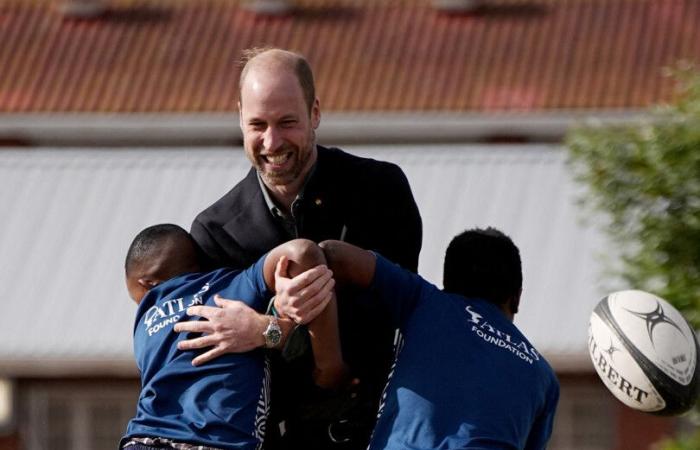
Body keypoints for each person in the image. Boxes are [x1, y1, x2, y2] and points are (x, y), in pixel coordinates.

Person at [180, 47, 423, 449]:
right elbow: (225, 363)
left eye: (287, 122)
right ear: (239, 115)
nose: (272, 141)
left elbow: (394, 315)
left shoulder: (381, 190)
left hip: (384, 430)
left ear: (315, 113)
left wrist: (267, 328)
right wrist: (278, 326)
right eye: (257, 124)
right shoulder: (214, 232)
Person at [314, 228, 560, 450]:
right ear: (516, 297)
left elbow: (333, 254)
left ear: (446, 284)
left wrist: (331, 365)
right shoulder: (543, 375)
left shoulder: (427, 301)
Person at [120, 224, 347, 450]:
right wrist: (329, 368)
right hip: (215, 442)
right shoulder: (232, 287)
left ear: (147, 284)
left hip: (142, 440)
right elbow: (302, 252)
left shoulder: (145, 320)